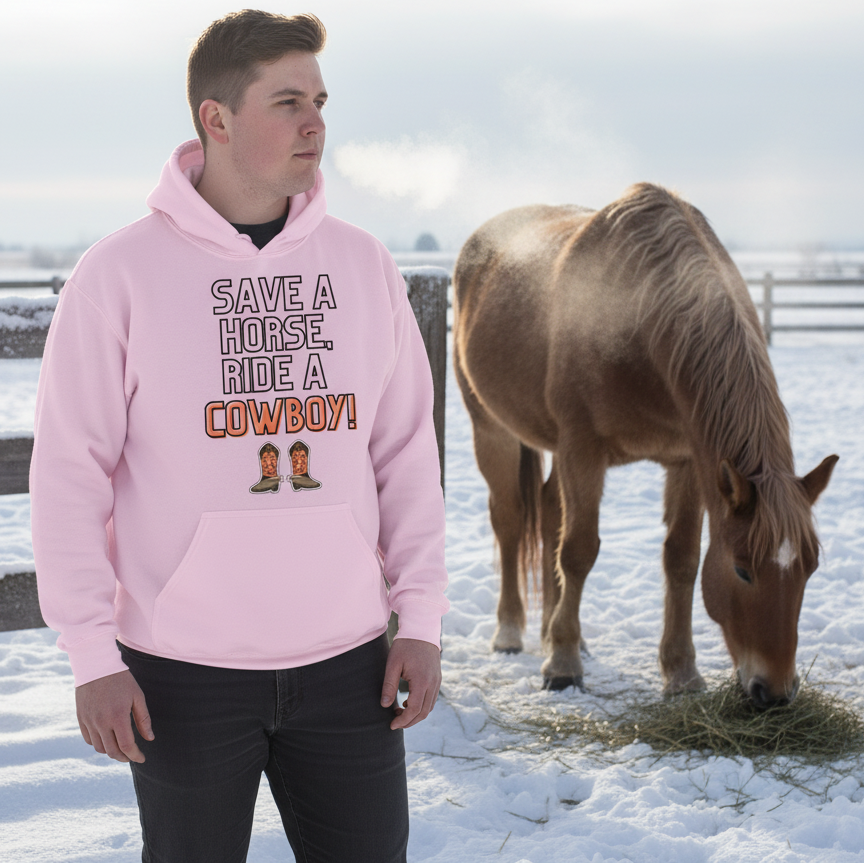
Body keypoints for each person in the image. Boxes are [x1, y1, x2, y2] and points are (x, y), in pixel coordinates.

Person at [30, 10, 448, 863]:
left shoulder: (363, 266)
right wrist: (89, 655)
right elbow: (71, 472)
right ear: (214, 119)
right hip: (180, 673)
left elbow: (405, 451)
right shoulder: (118, 276)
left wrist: (422, 618)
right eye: (287, 101)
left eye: (321, 101)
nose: (315, 124)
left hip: (349, 663)